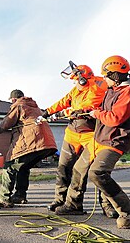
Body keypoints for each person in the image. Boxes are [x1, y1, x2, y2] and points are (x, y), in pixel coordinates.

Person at [58, 55, 130, 229]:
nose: (103, 79)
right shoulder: (113, 90)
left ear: (115, 75)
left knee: (97, 173)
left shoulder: (129, 92)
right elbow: (103, 109)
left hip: (114, 141)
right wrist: (87, 111)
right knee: (78, 169)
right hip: (100, 138)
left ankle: (128, 212)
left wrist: (97, 114)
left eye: (106, 76)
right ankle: (73, 205)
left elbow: (115, 118)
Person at [43, 64, 114, 217]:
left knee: (95, 171)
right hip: (72, 133)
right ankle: (60, 200)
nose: (74, 84)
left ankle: (107, 205)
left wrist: (69, 112)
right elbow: (65, 100)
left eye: (75, 81)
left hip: (91, 134)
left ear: (83, 79)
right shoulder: (77, 89)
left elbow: (86, 106)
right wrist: (47, 112)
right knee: (63, 167)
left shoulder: (100, 86)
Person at [0, 89, 58, 207]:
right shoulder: (35, 108)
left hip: (31, 142)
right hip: (46, 143)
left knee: (9, 167)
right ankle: (20, 195)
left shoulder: (18, 106)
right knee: (23, 168)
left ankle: (4, 198)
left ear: (13, 99)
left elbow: (5, 124)